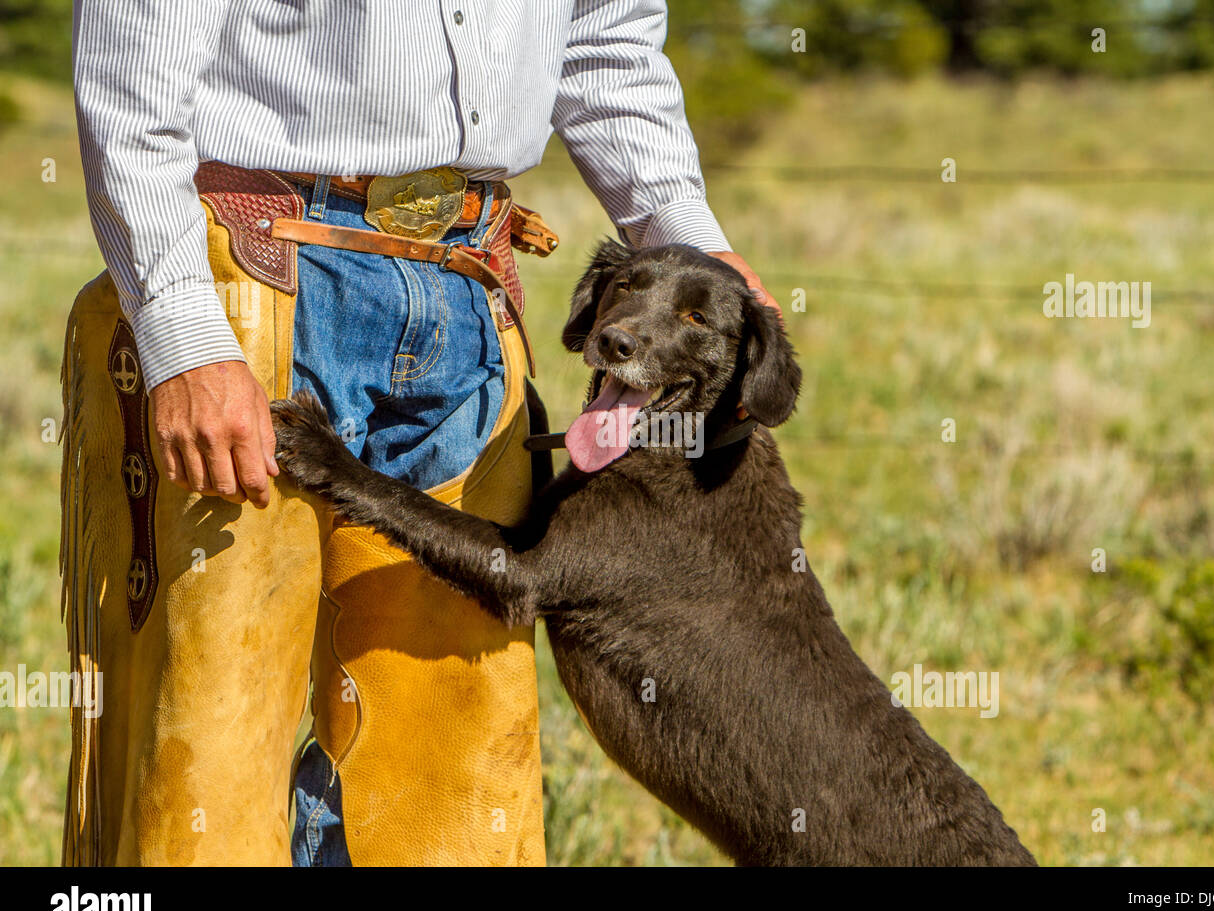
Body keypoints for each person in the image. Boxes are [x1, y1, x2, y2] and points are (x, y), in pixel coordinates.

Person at [63, 0, 776, 866]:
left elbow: (606, 43)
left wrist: (688, 243)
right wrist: (183, 336)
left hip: (469, 285)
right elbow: (130, 84)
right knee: (209, 730)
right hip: (252, 274)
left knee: (454, 748)